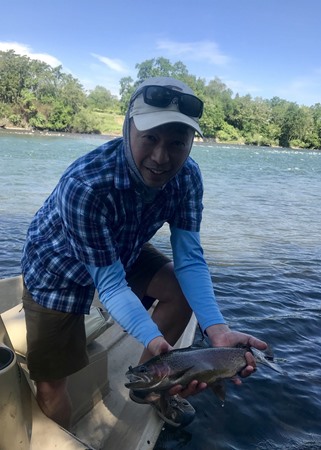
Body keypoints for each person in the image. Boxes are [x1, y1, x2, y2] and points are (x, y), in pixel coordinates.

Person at [21, 76, 267, 430]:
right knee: (51, 383)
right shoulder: (86, 185)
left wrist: (217, 330)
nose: (161, 157)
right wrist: (154, 339)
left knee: (182, 290)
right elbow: (110, 284)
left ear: (190, 145)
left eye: (177, 143)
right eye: (150, 138)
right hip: (58, 267)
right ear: (127, 129)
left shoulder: (187, 178)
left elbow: (190, 260)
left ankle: (151, 386)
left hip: (123, 245)